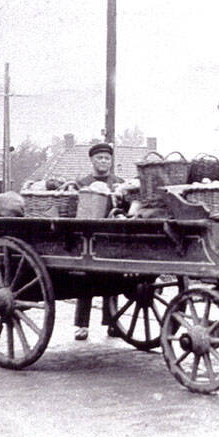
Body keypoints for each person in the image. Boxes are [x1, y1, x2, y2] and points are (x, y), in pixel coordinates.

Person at [73, 142, 124, 341]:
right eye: (99, 158)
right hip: (89, 237)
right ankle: (82, 325)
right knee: (86, 280)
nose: (104, 161)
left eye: (107, 158)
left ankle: (112, 322)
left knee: (114, 278)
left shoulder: (119, 182)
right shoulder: (82, 183)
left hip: (111, 237)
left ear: (111, 161)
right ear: (92, 160)